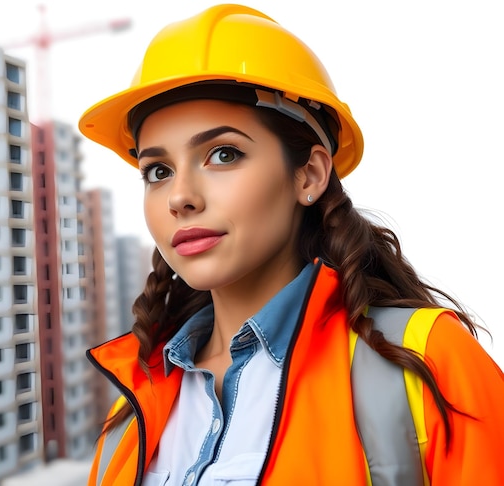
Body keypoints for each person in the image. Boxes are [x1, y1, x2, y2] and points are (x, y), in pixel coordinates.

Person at [78, 4, 504, 485]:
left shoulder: (425, 362)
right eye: (158, 171)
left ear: (310, 173)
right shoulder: (132, 409)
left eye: (223, 154)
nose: (180, 197)